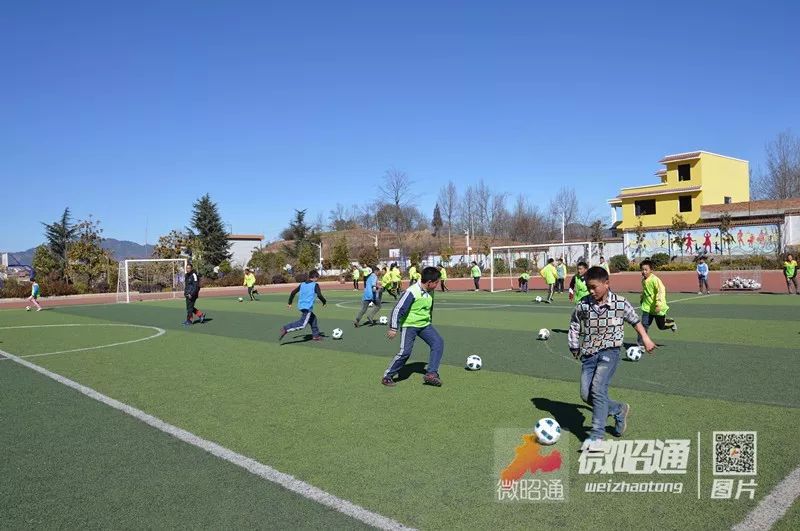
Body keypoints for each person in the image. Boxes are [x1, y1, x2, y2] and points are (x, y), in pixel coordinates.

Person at [569, 266, 656, 452]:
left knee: (598, 389)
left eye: (594, 287)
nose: (591, 291)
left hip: (610, 352)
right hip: (589, 354)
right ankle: (618, 409)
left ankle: (596, 437)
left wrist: (646, 339)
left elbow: (635, 321)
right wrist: (574, 344)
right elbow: (575, 324)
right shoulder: (584, 304)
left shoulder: (620, 303)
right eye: (588, 287)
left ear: (606, 283)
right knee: (586, 395)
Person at [382, 266, 444, 387]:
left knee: (438, 343)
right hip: (409, 326)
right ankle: (387, 376)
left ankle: (431, 373)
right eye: (436, 282)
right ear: (429, 282)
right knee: (405, 352)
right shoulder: (412, 291)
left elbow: (429, 308)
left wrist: (429, 320)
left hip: (424, 325)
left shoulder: (430, 291)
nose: (437, 285)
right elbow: (398, 309)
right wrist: (393, 328)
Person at [638, 259, 677, 346]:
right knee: (644, 326)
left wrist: (658, 304)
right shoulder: (643, 280)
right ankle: (641, 345)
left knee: (661, 326)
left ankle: (671, 323)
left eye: (646, 270)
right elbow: (646, 291)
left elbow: (661, 291)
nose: (643, 272)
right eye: (642, 269)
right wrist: (642, 298)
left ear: (651, 270)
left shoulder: (655, 280)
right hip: (647, 308)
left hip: (657, 308)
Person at [280, 270, 327, 341]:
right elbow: (319, 295)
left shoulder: (302, 284)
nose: (317, 279)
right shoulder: (315, 285)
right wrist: (324, 302)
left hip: (301, 306)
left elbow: (293, 292)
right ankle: (286, 328)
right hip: (307, 307)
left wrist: (290, 303)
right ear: (314, 277)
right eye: (317, 277)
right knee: (302, 324)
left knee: (313, 319)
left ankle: (316, 336)